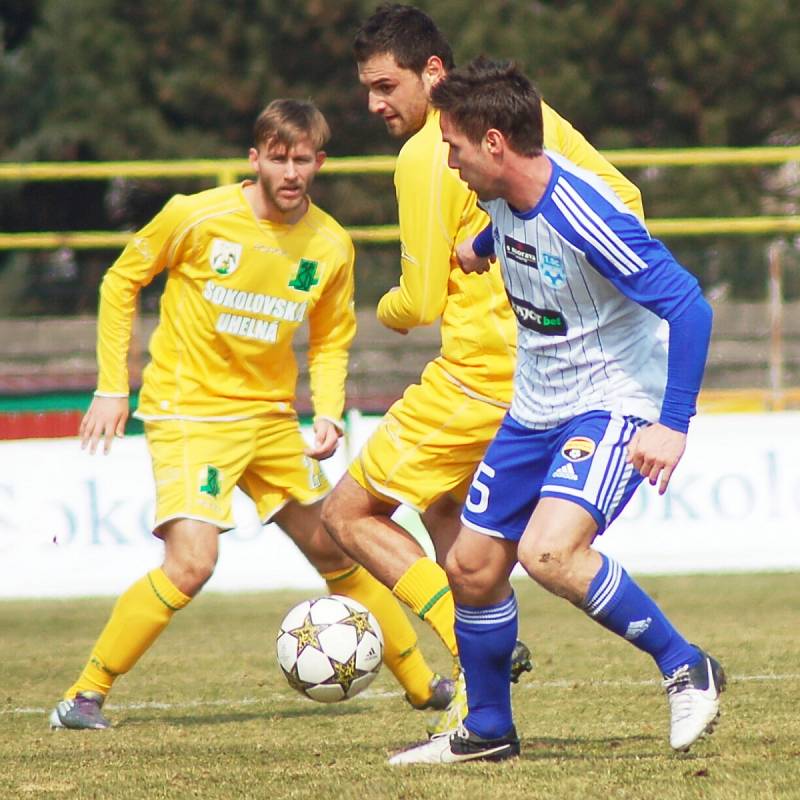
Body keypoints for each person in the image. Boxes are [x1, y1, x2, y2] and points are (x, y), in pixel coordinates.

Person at [49, 99, 455, 730]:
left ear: (318, 163)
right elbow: (119, 282)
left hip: (271, 420)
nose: (290, 172)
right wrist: (111, 386)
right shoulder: (196, 217)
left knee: (341, 548)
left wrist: (326, 412)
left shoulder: (330, 245)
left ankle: (423, 686)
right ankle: (83, 696)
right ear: (255, 158)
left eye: (303, 160)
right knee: (192, 563)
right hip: (189, 413)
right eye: (278, 158)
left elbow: (329, 338)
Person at [387, 57, 725, 765]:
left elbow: (689, 307)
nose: (447, 161)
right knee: (473, 564)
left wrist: (673, 424)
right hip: (534, 405)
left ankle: (684, 664)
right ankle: (486, 731)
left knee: (548, 553)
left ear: (494, 143)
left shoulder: (587, 213)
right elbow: (506, 230)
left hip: (612, 404)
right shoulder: (499, 192)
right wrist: (477, 248)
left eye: (452, 146)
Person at [321, 3, 643, 732]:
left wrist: (383, 308)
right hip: (550, 375)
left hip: (475, 376)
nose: (373, 105)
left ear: (432, 72)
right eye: (366, 90)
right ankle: (484, 699)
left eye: (384, 86)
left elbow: (422, 300)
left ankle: (477, 662)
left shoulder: (422, 153)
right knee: (448, 519)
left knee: (347, 513)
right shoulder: (532, 119)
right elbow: (628, 201)